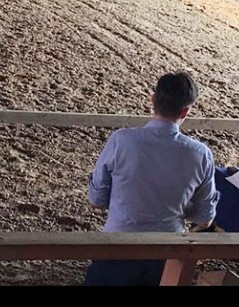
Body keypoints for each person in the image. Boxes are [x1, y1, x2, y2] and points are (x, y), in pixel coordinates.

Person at [83, 71, 220, 286]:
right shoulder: (200, 154)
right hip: (165, 255)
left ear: (153, 100)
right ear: (186, 111)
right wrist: (181, 207)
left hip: (116, 249)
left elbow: (96, 200)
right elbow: (204, 218)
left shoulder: (122, 140)